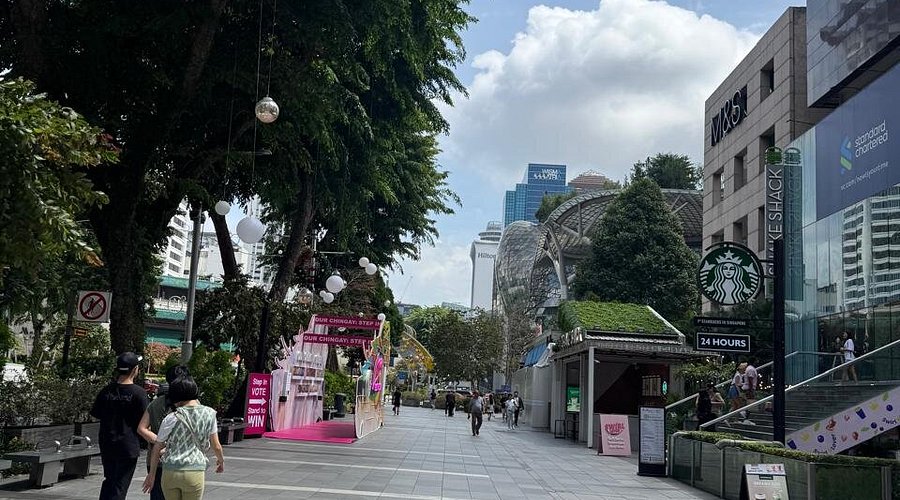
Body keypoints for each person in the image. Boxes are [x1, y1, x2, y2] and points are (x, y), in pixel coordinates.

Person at [142, 376, 224, 500]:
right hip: (194, 471)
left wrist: (152, 475)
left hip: (170, 471)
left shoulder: (171, 417)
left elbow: (157, 448)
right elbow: (216, 445)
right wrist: (220, 461)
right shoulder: (209, 414)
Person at [91, 352, 149, 500]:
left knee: (109, 481)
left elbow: (96, 413)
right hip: (128, 445)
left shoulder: (106, 391)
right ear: (135, 370)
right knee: (120, 485)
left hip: (107, 442)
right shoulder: (139, 393)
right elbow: (145, 421)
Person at [138, 364, 190, 500]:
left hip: (156, 462)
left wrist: (160, 444)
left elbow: (142, 429)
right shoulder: (191, 405)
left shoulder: (156, 403)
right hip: (182, 462)